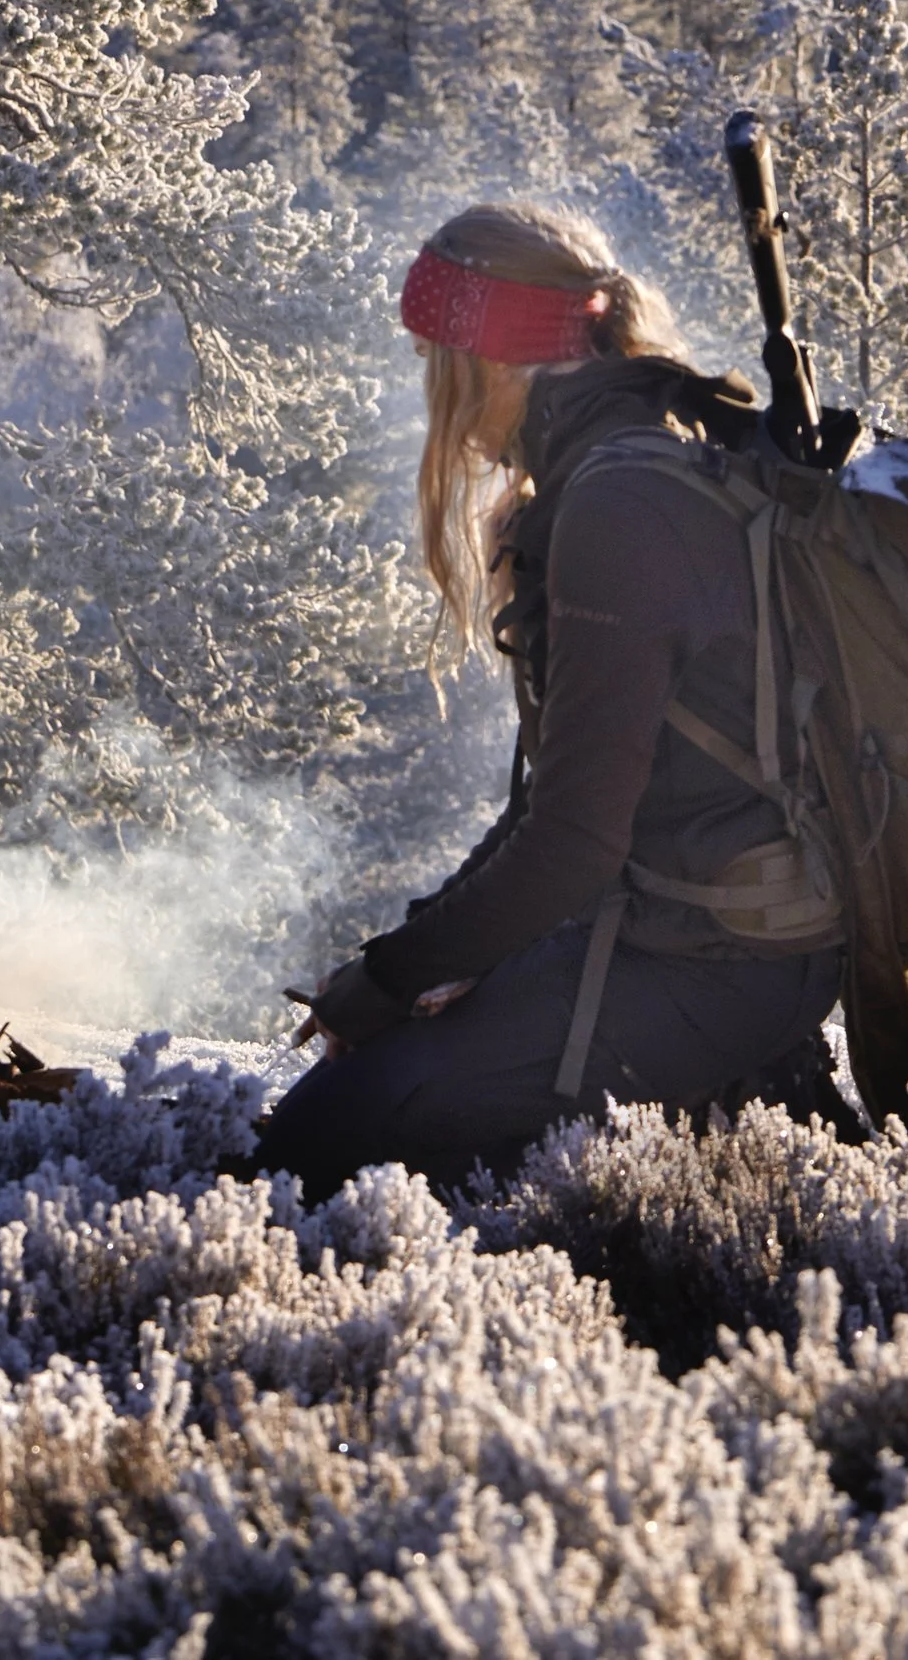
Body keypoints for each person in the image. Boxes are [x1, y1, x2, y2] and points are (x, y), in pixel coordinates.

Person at [255, 202, 847, 1200]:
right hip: (721, 934)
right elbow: (557, 809)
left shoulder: (617, 506)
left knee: (322, 1142)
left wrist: (393, 983)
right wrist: (412, 958)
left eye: (432, 358)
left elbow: (573, 844)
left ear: (487, 360)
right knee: (371, 1088)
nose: (428, 388)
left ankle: (703, 1118)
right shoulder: (644, 449)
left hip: (711, 960)